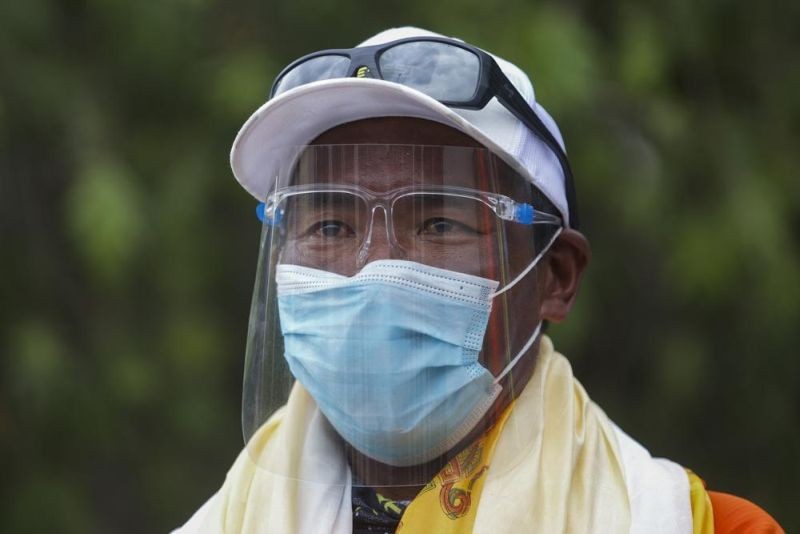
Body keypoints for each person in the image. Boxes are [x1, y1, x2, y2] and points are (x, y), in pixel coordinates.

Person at [175, 27, 783, 533]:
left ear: (555, 275)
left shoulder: (691, 525)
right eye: (330, 225)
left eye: (439, 222)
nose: (374, 267)